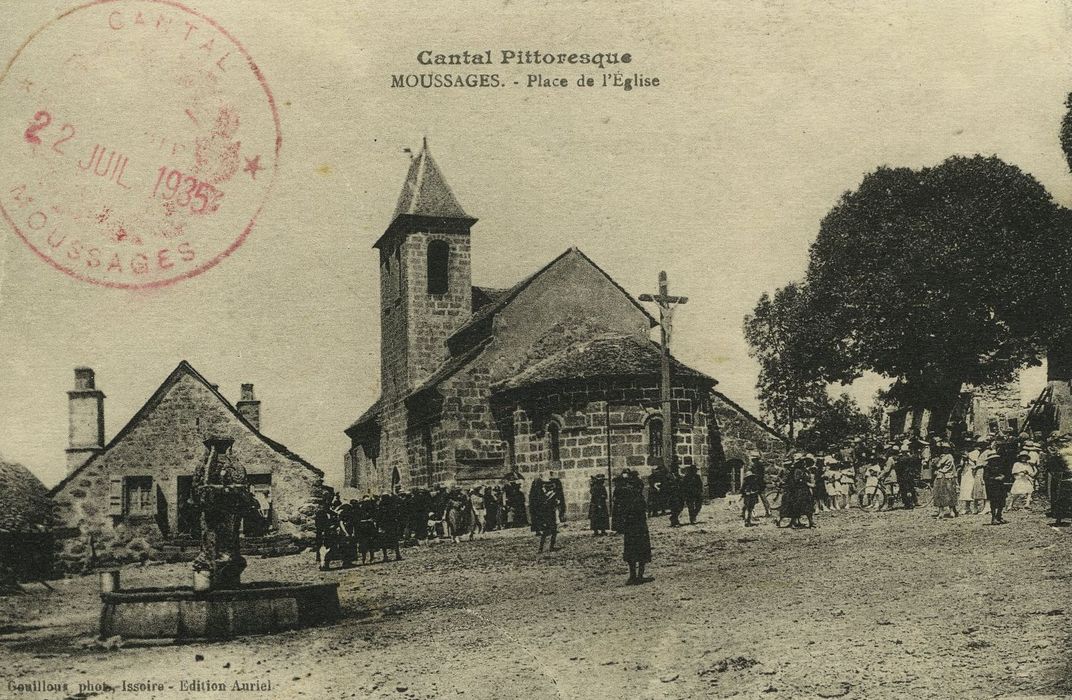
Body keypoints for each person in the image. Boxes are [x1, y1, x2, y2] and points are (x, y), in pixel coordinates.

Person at [616, 470, 652, 584]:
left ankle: (633, 576)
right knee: (641, 550)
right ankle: (638, 576)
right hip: (639, 526)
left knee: (632, 550)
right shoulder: (637, 496)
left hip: (631, 526)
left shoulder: (627, 493)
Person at [778, 454, 816, 528]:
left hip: (805, 490)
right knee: (797, 506)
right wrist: (806, 483)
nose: (804, 463)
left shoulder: (805, 470)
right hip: (798, 491)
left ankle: (810, 522)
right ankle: (794, 522)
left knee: (808, 506)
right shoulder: (797, 471)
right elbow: (796, 480)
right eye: (803, 462)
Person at [982, 448, 1012, 525]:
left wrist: (1003, 477)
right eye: (993, 459)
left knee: (1002, 501)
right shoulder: (987, 467)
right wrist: (995, 478)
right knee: (994, 502)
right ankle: (993, 517)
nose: (994, 461)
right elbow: (986, 478)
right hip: (992, 487)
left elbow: (1005, 474)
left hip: (1000, 486)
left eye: (996, 459)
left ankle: (999, 516)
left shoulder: (1000, 466)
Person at [931, 439, 959, 518]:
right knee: (948, 493)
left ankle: (945, 512)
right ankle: (949, 511)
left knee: (943, 493)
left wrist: (936, 461)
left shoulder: (947, 456)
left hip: (943, 475)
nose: (944, 449)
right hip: (948, 475)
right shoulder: (948, 456)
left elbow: (938, 465)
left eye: (945, 448)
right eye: (943, 448)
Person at [537, 480, 560, 553]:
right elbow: (554, 504)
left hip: (545, 516)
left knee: (545, 533)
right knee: (553, 532)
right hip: (551, 515)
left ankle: (541, 548)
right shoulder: (553, 495)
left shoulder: (544, 496)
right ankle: (551, 547)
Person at [749, 452, 773, 516]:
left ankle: (752, 513)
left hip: (756, 483)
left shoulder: (754, 466)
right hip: (761, 483)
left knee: (753, 498)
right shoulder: (761, 465)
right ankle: (768, 511)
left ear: (755, 459)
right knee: (763, 497)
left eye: (753, 459)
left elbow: (755, 475)